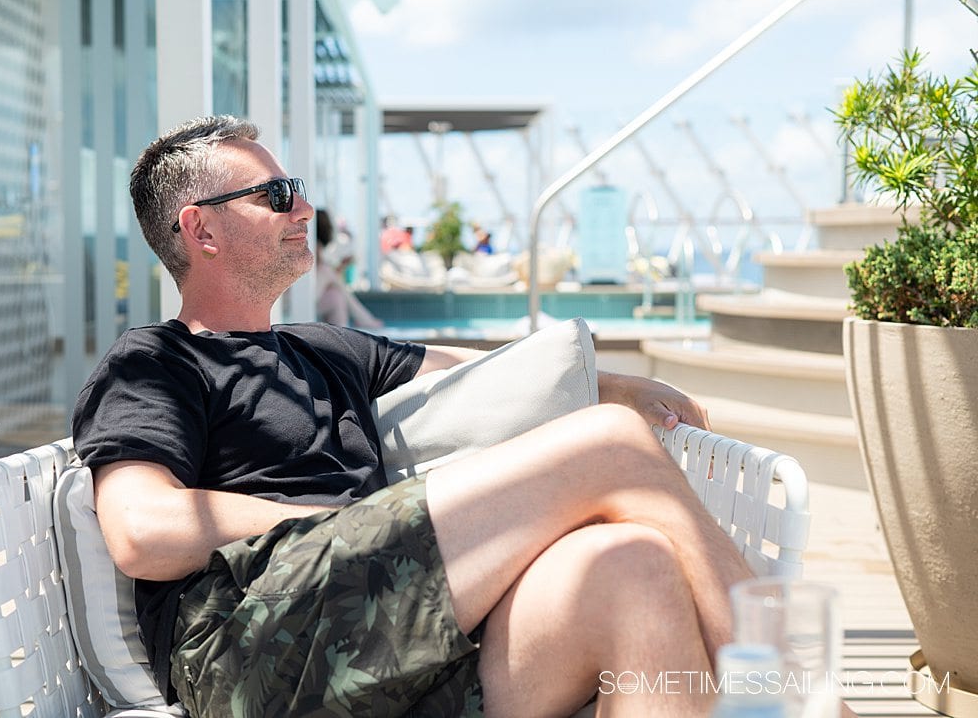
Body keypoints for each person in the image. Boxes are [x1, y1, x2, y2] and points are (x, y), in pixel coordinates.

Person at [72, 116, 854, 718]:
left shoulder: (323, 348)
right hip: (251, 649)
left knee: (633, 565)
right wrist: (324, 519)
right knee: (612, 446)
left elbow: (489, 375)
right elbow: (142, 529)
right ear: (199, 230)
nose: (303, 206)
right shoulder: (154, 361)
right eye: (275, 195)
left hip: (389, 647)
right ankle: (801, 696)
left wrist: (613, 382)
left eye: (298, 187)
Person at [314, 208, 384, 329]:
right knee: (327, 273)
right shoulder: (314, 246)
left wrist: (340, 267)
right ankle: (362, 317)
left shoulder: (315, 246)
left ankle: (341, 337)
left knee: (336, 296)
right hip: (298, 301)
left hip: (310, 297)